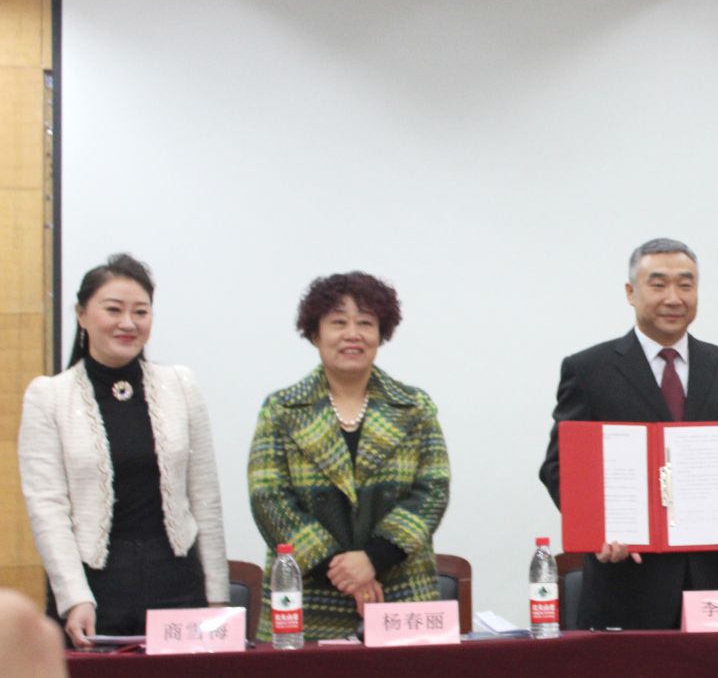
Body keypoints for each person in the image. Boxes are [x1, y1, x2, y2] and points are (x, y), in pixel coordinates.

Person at [539, 238, 718, 630]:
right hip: (626, 586)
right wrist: (596, 528)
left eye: (686, 284)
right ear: (631, 292)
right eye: (659, 284)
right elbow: (560, 466)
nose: (673, 298)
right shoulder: (589, 369)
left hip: (714, 578)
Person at [18, 254, 228, 648]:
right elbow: (47, 507)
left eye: (140, 312)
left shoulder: (181, 385)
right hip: (96, 589)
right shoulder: (49, 396)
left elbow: (205, 498)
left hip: (178, 583)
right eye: (113, 310)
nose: (128, 323)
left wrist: (217, 598)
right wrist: (74, 598)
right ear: (82, 315)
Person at [248, 272, 449, 641]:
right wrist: (343, 572)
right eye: (338, 323)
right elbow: (269, 499)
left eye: (365, 323)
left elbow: (432, 492)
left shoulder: (414, 407)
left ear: (381, 334)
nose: (352, 334)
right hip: (307, 596)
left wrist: (373, 559)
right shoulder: (281, 409)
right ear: (315, 334)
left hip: (400, 589)